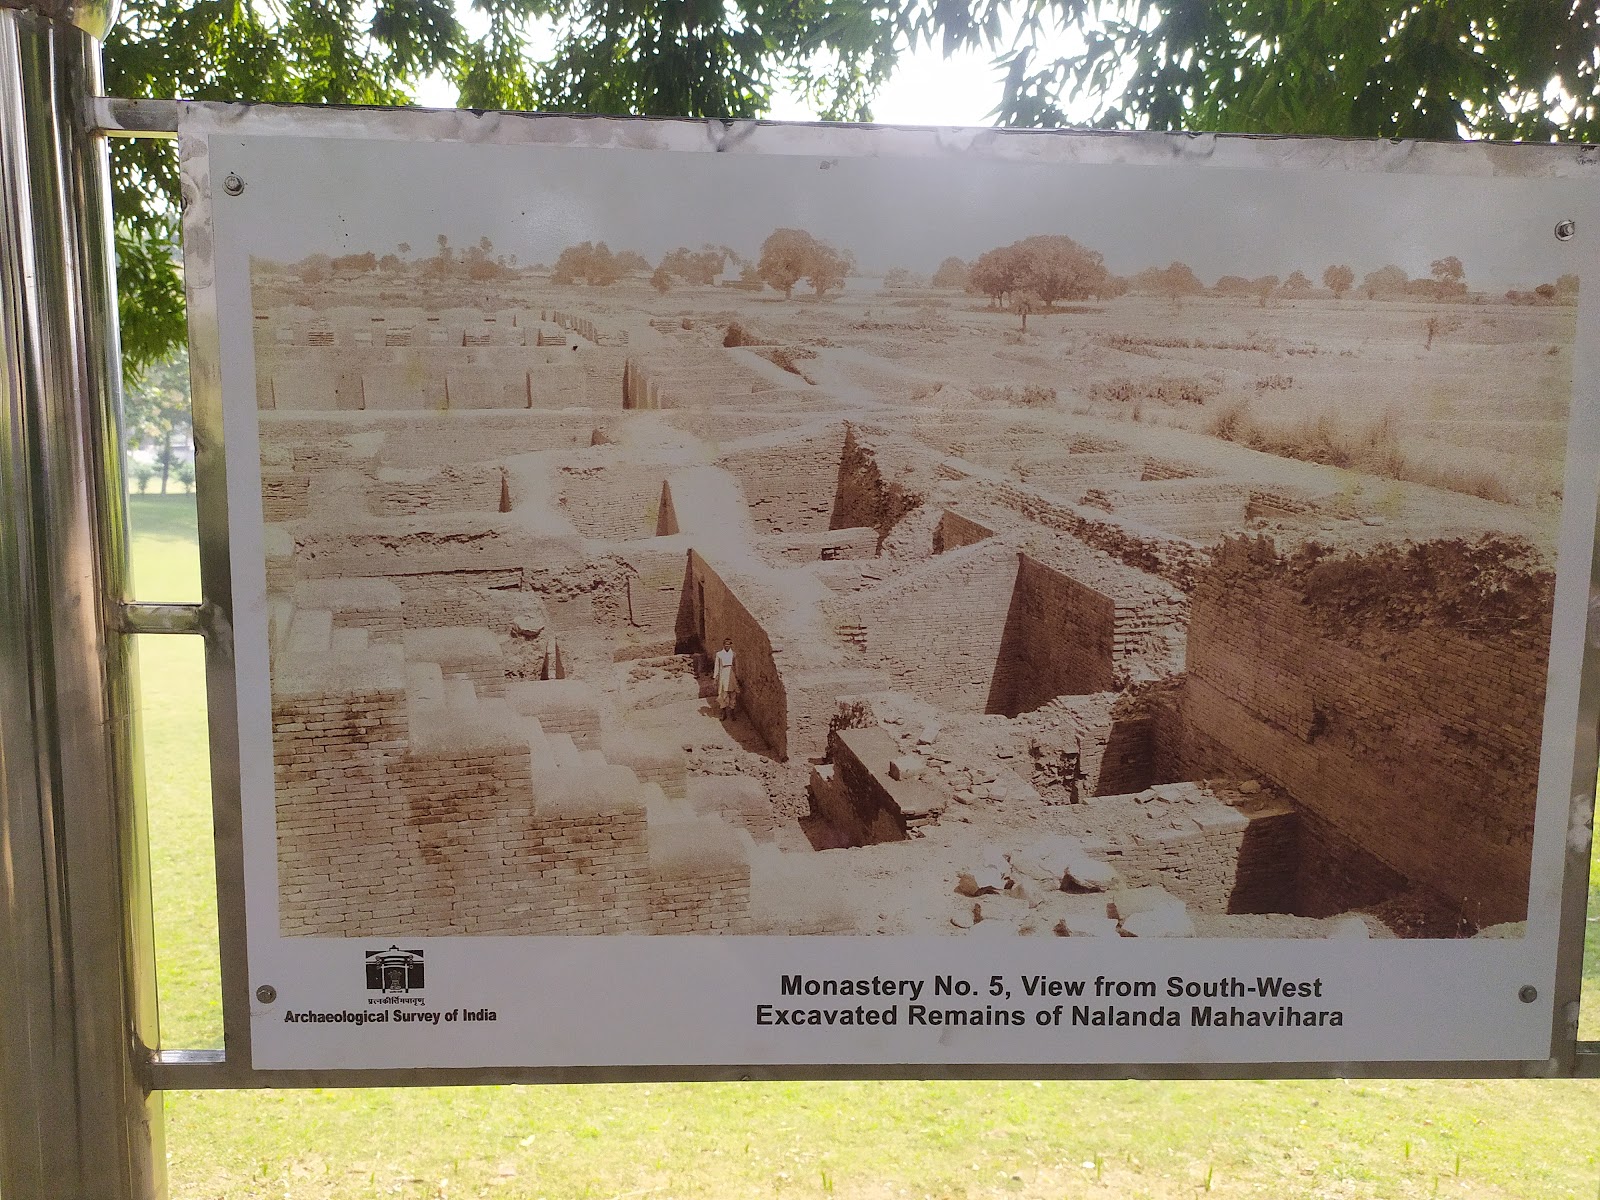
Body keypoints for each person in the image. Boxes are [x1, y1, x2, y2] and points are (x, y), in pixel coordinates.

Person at [713, 638, 737, 719]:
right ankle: (723, 712)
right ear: (723, 645)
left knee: (733, 693)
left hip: (731, 675)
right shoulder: (719, 654)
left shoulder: (733, 654)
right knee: (723, 693)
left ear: (730, 645)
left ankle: (732, 711)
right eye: (726, 645)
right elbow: (716, 666)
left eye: (729, 645)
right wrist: (715, 677)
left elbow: (735, 666)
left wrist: (736, 675)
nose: (727, 646)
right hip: (723, 674)